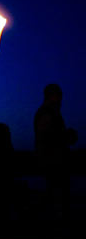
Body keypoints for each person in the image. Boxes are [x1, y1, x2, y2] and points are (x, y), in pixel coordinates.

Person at [34, 84, 78, 220]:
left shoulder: (51, 113)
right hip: (52, 163)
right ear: (51, 96)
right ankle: (54, 225)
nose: (61, 98)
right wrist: (65, 136)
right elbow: (47, 136)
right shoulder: (46, 113)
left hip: (54, 162)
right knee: (55, 196)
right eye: (58, 94)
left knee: (56, 196)